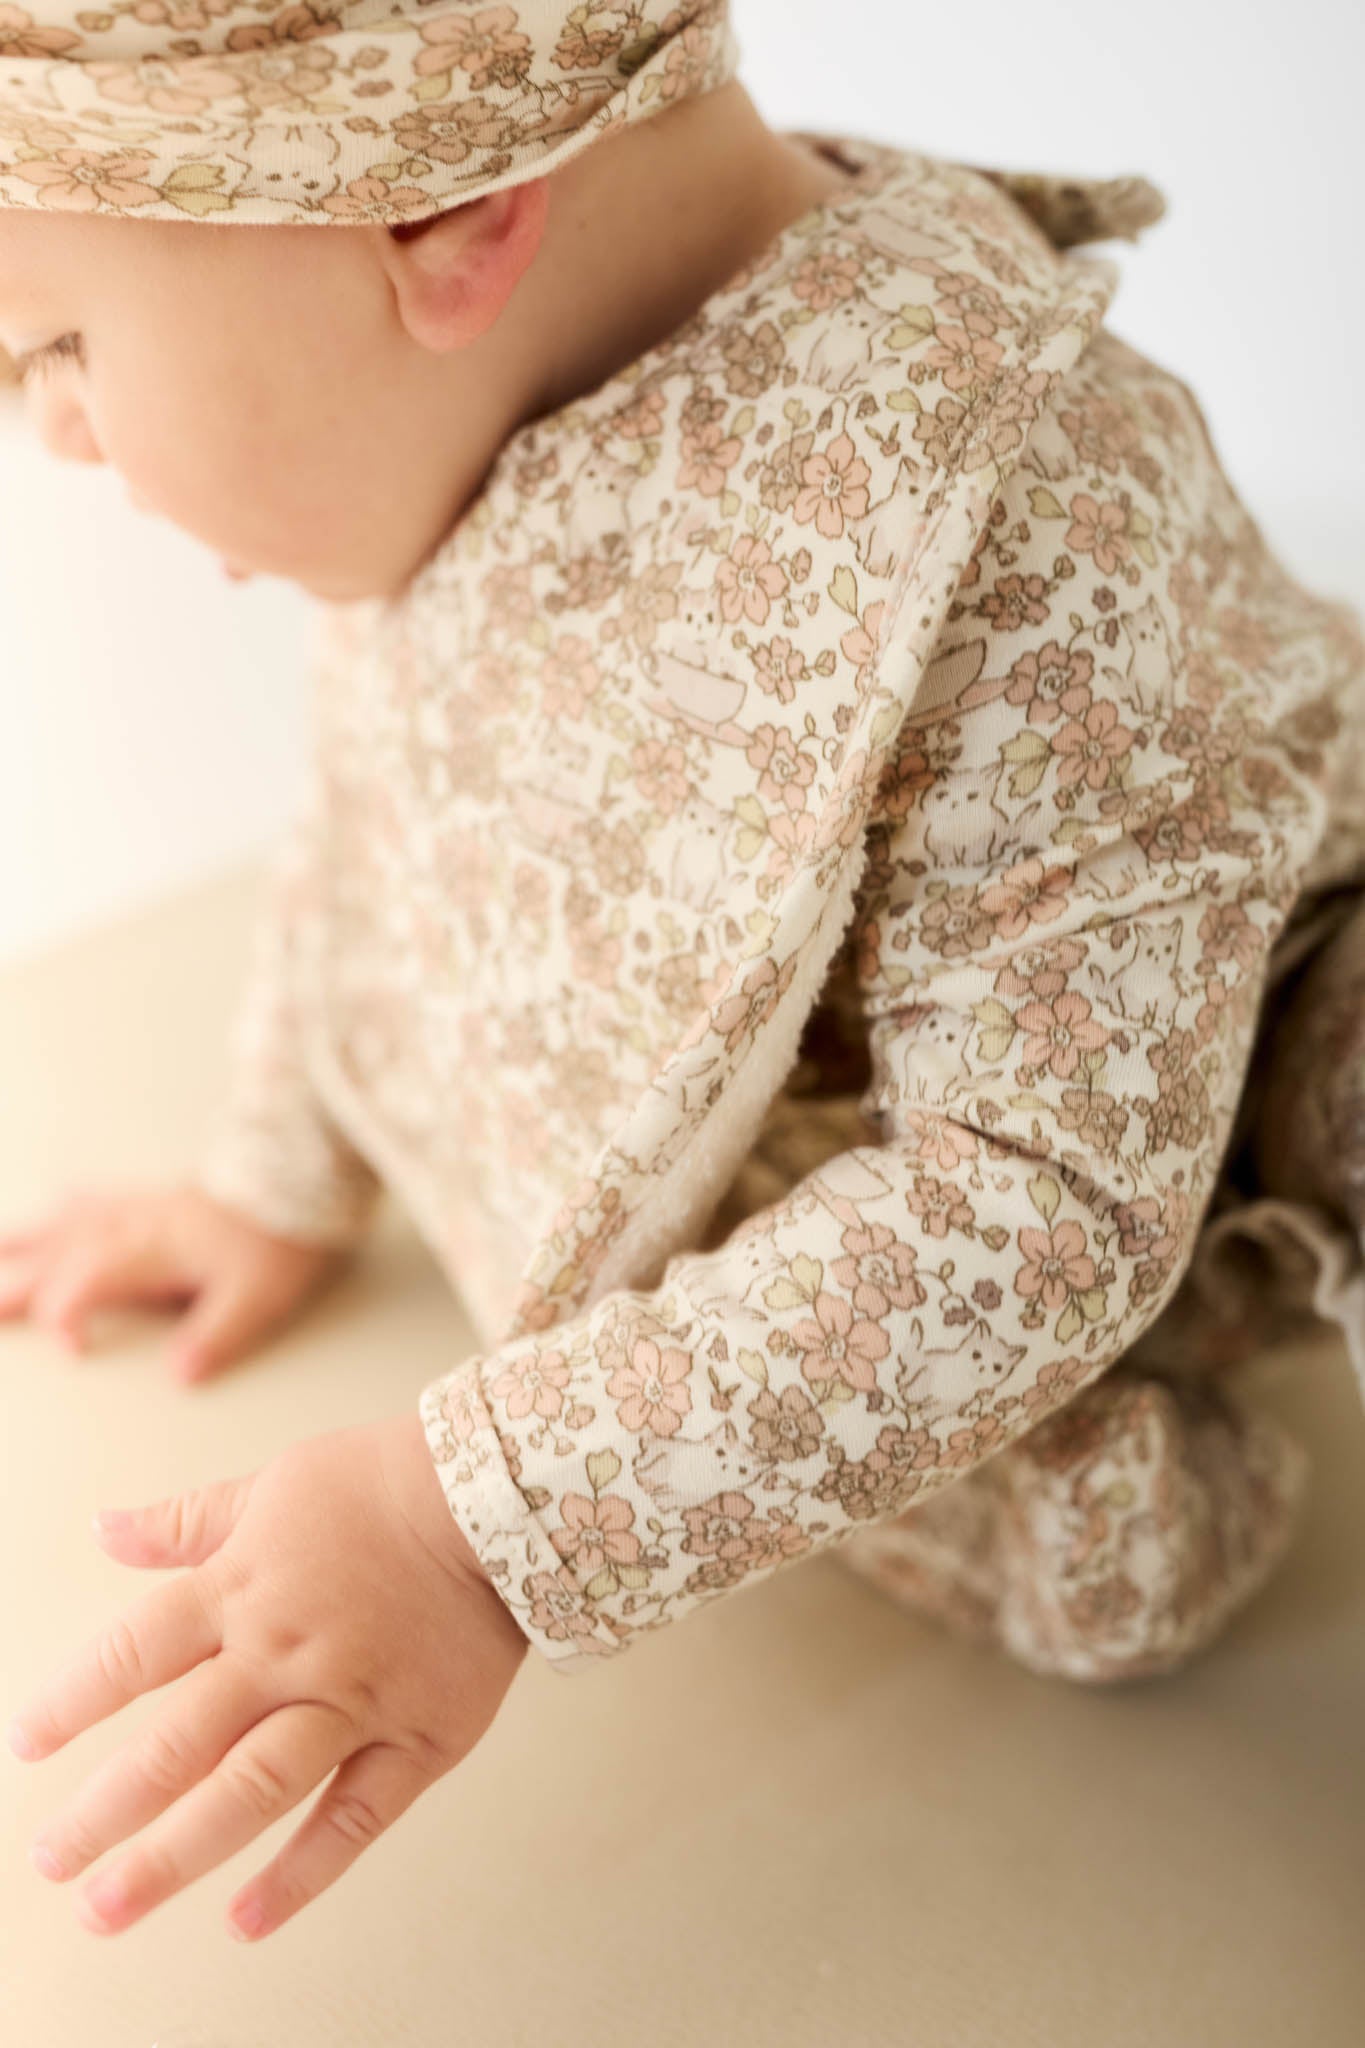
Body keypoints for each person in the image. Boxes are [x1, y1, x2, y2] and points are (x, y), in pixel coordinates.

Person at [3, 0, 1365, 1949]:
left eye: (56, 345)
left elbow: (1035, 1196)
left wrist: (477, 1521)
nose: (50, 432)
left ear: (439, 205)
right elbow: (395, 804)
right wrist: (271, 1176)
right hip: (846, 1085)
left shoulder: (1011, 500)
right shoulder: (442, 395)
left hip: (1192, 1079)